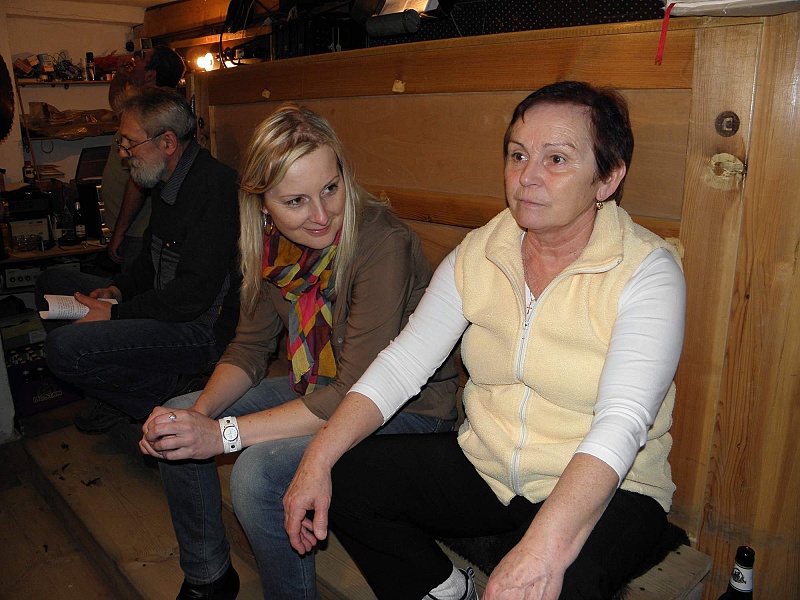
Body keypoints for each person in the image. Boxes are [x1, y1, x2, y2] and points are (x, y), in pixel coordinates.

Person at [284, 81, 687, 600]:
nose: (528, 176)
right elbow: (403, 364)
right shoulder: (482, 252)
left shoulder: (646, 272)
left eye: (557, 159)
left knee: (564, 582)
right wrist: (317, 458)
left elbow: (623, 420)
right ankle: (447, 591)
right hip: (489, 466)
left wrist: (542, 549)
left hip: (611, 485)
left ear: (607, 178)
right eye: (518, 155)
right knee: (346, 476)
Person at [139, 104, 459, 600]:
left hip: (405, 409)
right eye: (295, 201)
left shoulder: (382, 243)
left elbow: (354, 391)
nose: (321, 215)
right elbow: (249, 348)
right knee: (178, 416)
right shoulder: (268, 243)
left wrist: (221, 434)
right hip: (319, 385)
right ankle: (208, 576)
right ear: (262, 203)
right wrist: (198, 419)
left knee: (256, 476)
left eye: (331, 188)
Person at [35, 87, 241, 434]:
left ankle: (172, 395)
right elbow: (149, 258)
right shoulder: (165, 179)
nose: (123, 153)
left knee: (63, 349)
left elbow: (191, 298)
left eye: (130, 143)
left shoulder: (214, 189)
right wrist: (117, 291)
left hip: (199, 331)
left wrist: (115, 313)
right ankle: (121, 391)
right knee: (51, 282)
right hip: (167, 307)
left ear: (168, 142)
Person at [101, 45, 186, 274]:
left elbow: (137, 183)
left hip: (138, 231)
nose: (133, 61)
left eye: (140, 58)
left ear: (150, 75)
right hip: (133, 229)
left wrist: (120, 232)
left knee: (134, 288)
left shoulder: (155, 116)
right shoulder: (143, 106)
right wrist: (121, 76)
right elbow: (117, 103)